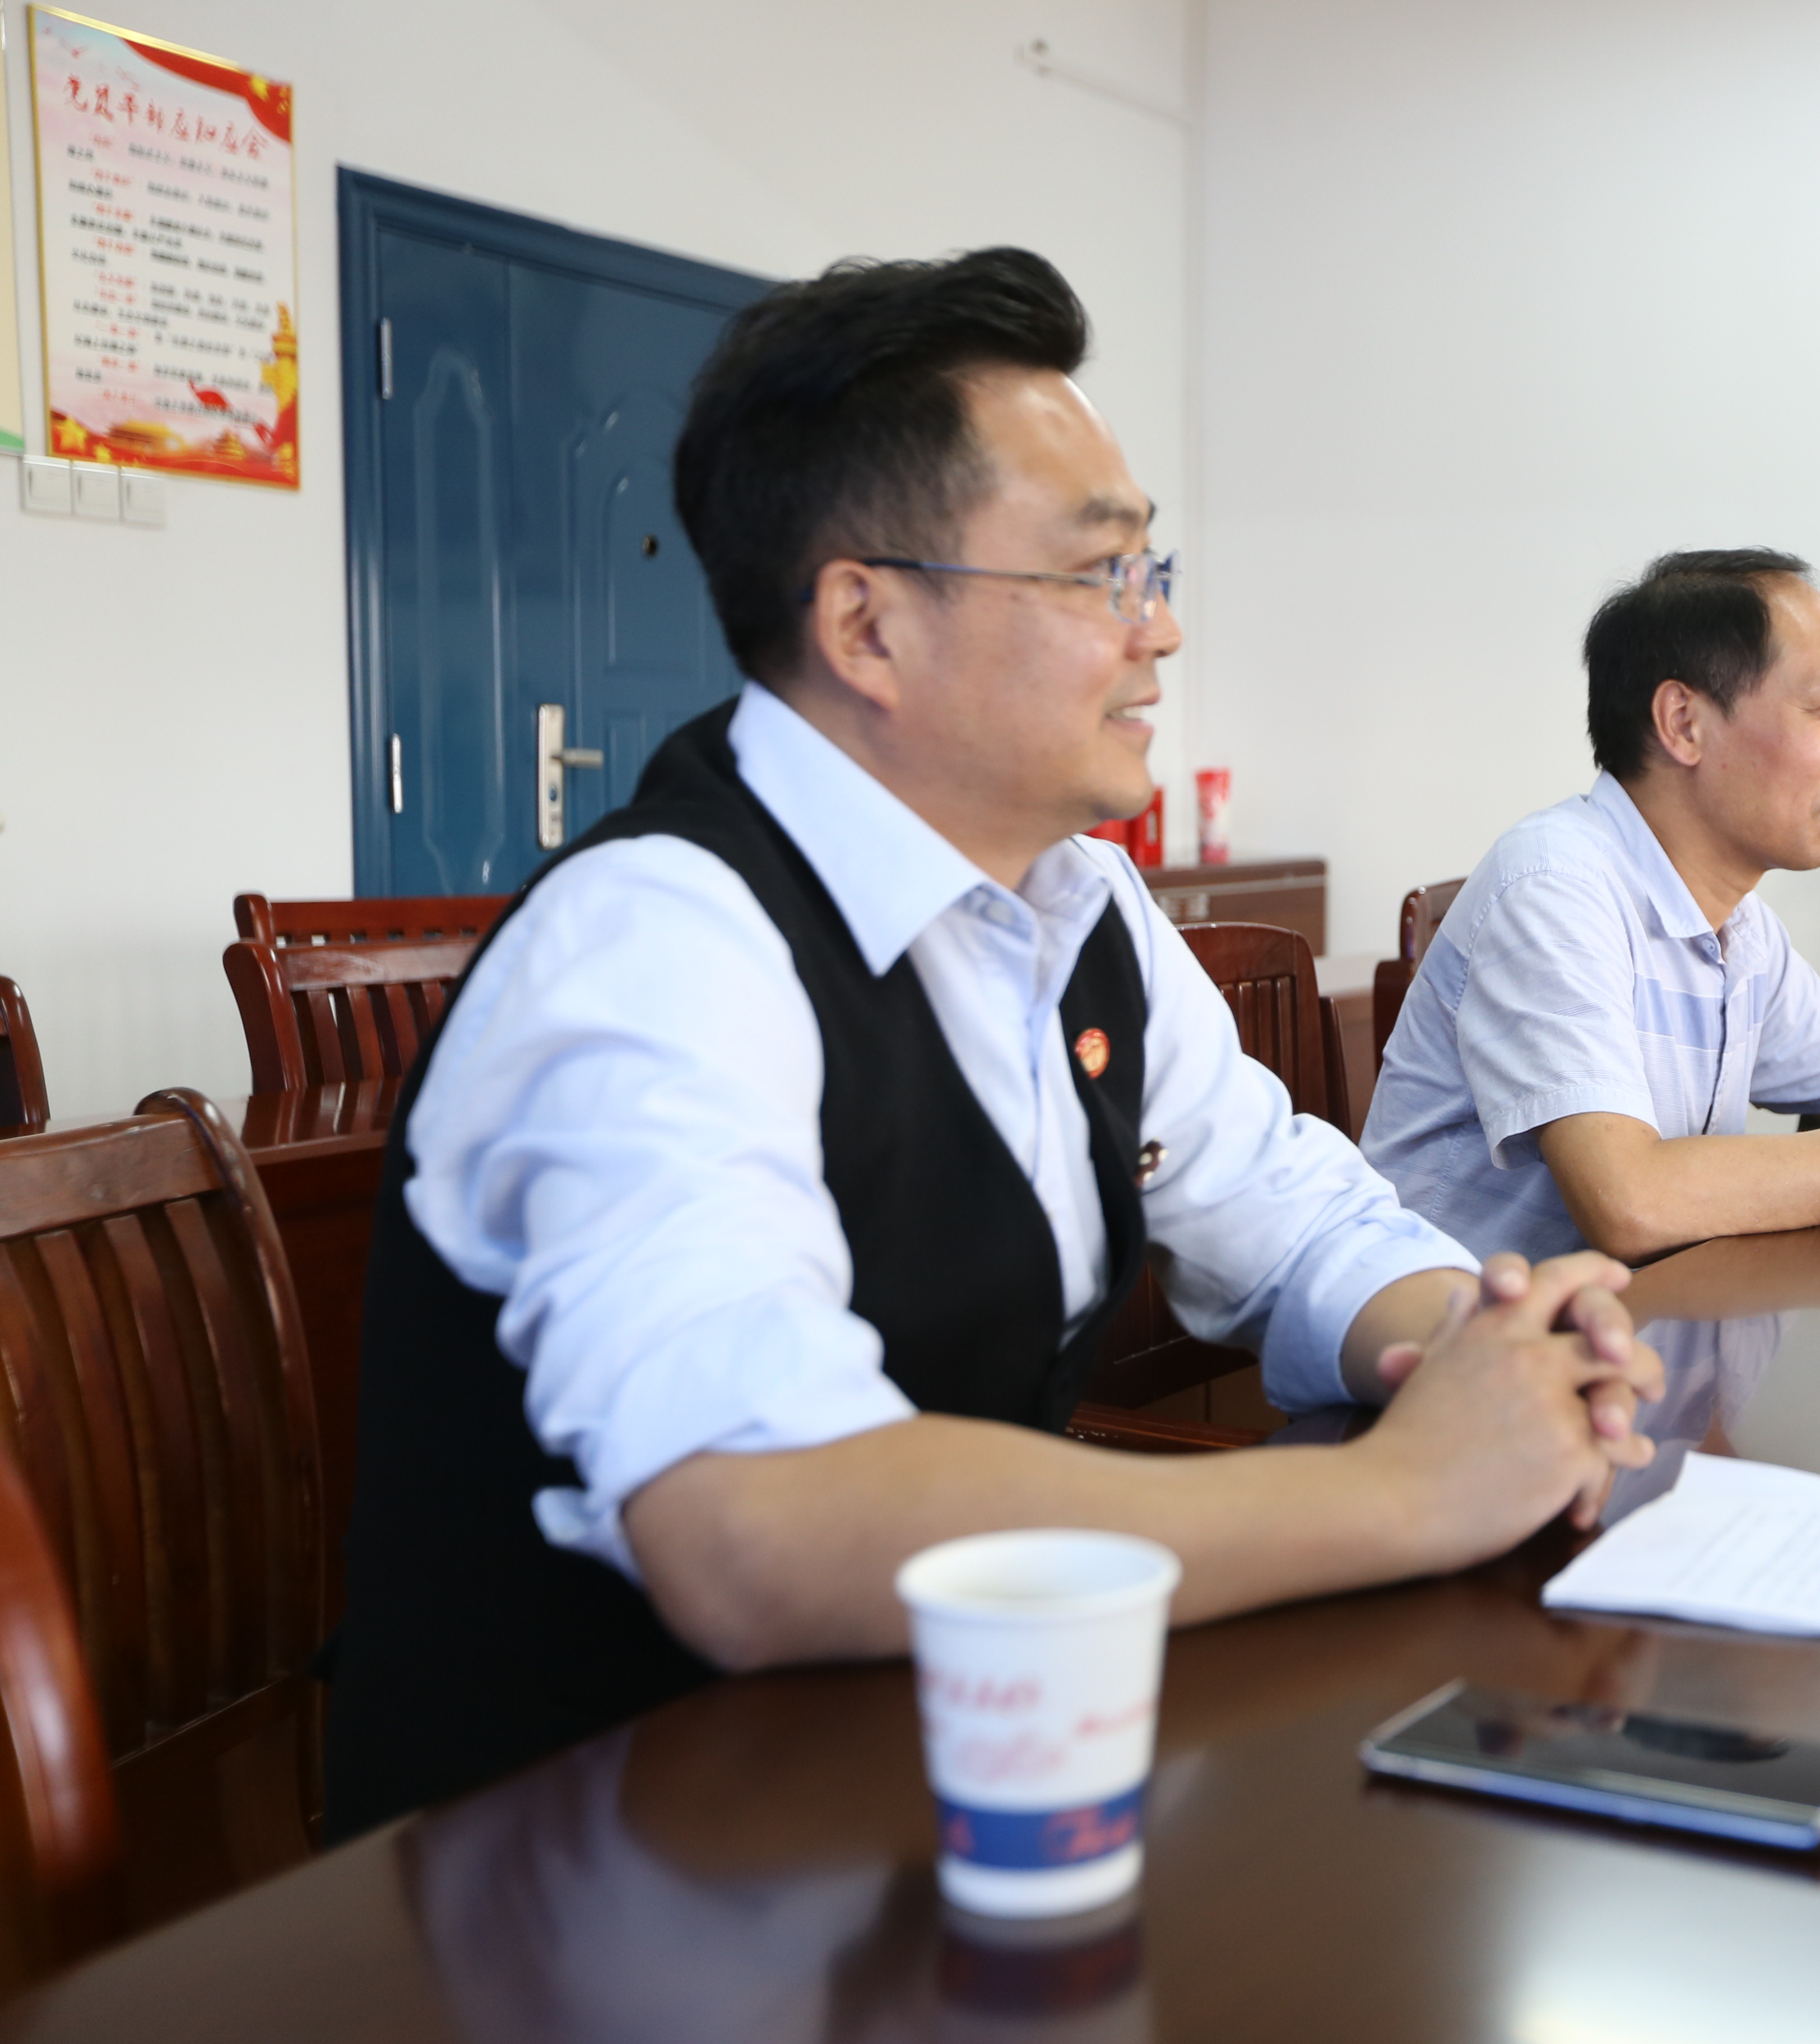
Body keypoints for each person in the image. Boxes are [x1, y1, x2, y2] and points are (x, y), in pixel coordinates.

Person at [324, 249, 1663, 1836]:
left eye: (1152, 569)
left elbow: (1295, 1218)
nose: (1159, 632)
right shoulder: (656, 947)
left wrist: (1477, 1343)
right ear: (866, 623)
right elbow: (753, 1520)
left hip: (941, 1774)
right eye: (1100, 575)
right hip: (596, 1855)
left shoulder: (1074, 904)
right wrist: (1398, 1491)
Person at [1362, 549, 1820, 1267]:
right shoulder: (1555, 887)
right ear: (1684, 723)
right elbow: (1629, 1200)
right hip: (1458, 1338)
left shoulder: (1739, 927)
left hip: (1643, 1325)